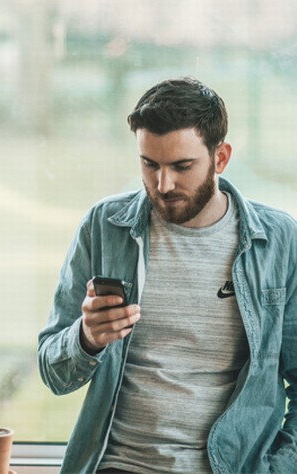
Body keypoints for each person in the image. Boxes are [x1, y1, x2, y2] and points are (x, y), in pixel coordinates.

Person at [37, 77, 297, 474]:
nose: (163, 184)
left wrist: (280, 467)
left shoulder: (278, 241)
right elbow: (53, 373)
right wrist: (87, 339)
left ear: (221, 158)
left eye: (182, 166)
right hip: (119, 466)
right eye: (149, 164)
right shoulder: (104, 226)